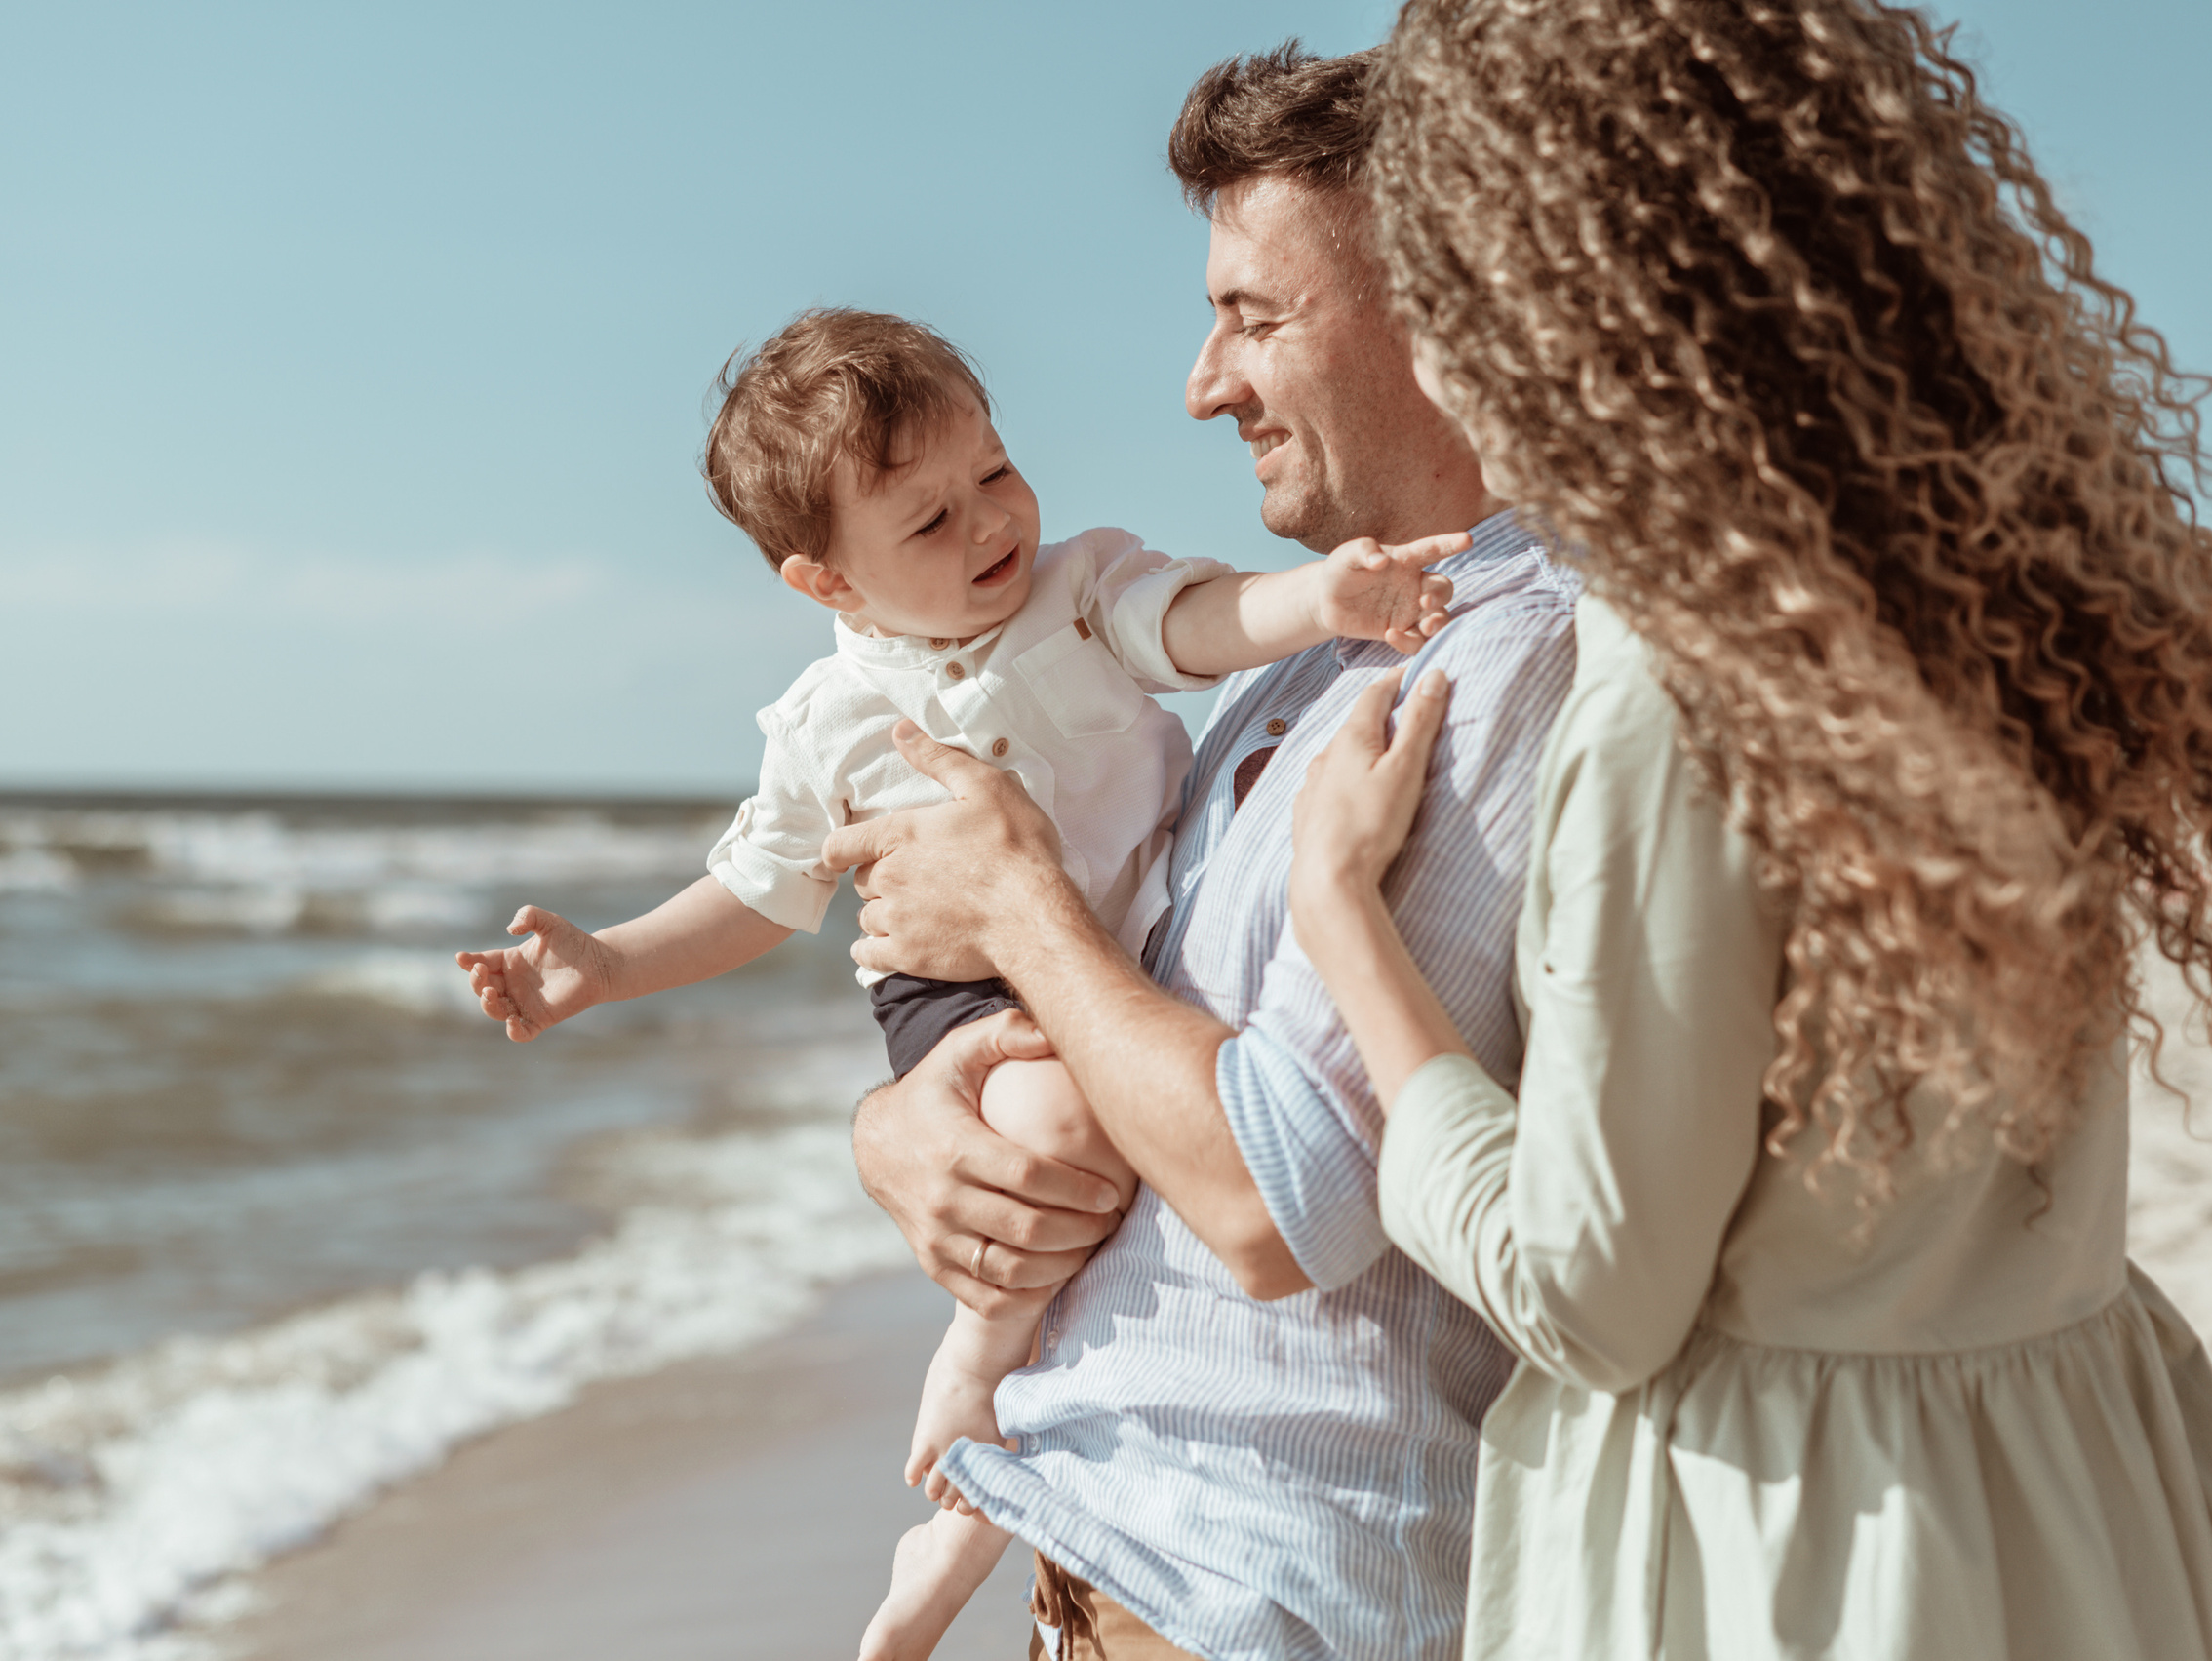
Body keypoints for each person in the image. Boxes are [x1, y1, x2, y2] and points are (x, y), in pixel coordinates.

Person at [1280, 2, 2212, 1657]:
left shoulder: (1685, 685)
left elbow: (1596, 1290)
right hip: (2071, 1489)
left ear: (1539, 290)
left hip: (1804, 1554)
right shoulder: (2000, 600)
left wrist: (1344, 921)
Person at [452, 305, 1458, 1661]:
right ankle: (975, 1389)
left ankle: (976, 1506)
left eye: (993, 473)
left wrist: (1324, 601)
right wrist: (608, 966)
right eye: (926, 524)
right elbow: (761, 892)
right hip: (961, 986)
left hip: (1124, 942)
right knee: (1056, 1145)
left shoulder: (1081, 588)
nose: (989, 524)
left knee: (1124, 1158)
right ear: (828, 585)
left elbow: (1205, 621)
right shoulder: (830, 724)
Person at [827, 48, 1579, 1661]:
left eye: (1255, 314)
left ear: (1447, 310)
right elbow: (1130, 1036)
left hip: (1263, 1598)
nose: (1202, 383)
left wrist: (1021, 906)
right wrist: (909, 1125)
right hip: (1105, 1559)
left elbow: (1274, 1200)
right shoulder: (1307, 665)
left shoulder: (1524, 659)